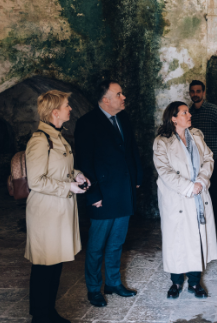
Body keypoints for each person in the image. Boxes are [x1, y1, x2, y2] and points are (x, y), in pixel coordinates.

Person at [75, 80, 142, 308]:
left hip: (124, 191)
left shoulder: (123, 118)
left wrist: (137, 179)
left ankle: (113, 283)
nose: (124, 97)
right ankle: (94, 289)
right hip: (102, 194)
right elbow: (84, 162)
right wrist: (93, 195)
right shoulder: (87, 123)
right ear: (106, 99)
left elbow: (132, 150)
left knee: (116, 242)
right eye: (119, 94)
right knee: (96, 247)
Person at [25, 90, 89, 323]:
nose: (70, 108)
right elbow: (35, 181)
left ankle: (48, 312)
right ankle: (39, 316)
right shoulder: (40, 140)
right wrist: (68, 187)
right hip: (46, 212)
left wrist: (78, 175)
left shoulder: (57, 137)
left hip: (59, 210)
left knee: (55, 264)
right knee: (44, 265)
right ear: (55, 112)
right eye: (66, 105)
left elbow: (62, 169)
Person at [153, 101, 217, 299]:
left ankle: (195, 282)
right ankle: (176, 282)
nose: (189, 115)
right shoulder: (162, 141)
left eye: (188, 112)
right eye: (184, 113)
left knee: (196, 237)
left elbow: (209, 158)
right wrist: (189, 187)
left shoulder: (196, 135)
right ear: (173, 118)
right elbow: (164, 170)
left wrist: (202, 180)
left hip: (198, 194)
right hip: (177, 196)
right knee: (177, 239)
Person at [188, 80, 217, 249]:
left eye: (198, 91)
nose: (195, 94)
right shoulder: (188, 112)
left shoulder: (214, 110)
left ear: (203, 92)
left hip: (215, 160)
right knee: (198, 195)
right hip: (196, 162)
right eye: (193, 91)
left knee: (214, 195)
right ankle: (205, 232)